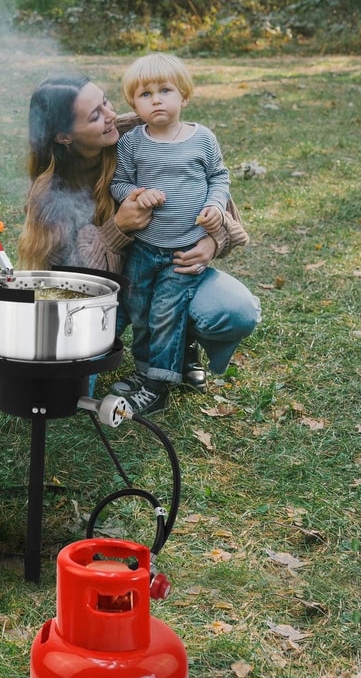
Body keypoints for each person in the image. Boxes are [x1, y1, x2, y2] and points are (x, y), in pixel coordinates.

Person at [17, 74, 259, 411]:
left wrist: (211, 242)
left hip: (171, 268)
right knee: (61, 393)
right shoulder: (51, 195)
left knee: (235, 311)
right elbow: (77, 279)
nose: (110, 115)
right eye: (95, 115)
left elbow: (209, 191)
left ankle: (182, 341)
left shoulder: (140, 131)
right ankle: (117, 350)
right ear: (64, 136)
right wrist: (118, 228)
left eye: (106, 101)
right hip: (105, 296)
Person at [109, 52, 234, 415]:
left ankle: (159, 387)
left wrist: (215, 207)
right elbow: (119, 184)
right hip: (144, 248)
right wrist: (135, 195)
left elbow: (219, 177)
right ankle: (146, 372)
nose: (156, 99)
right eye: (145, 94)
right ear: (133, 103)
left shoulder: (202, 139)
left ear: (185, 96)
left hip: (183, 251)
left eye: (165, 90)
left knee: (166, 312)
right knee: (140, 311)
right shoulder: (132, 142)